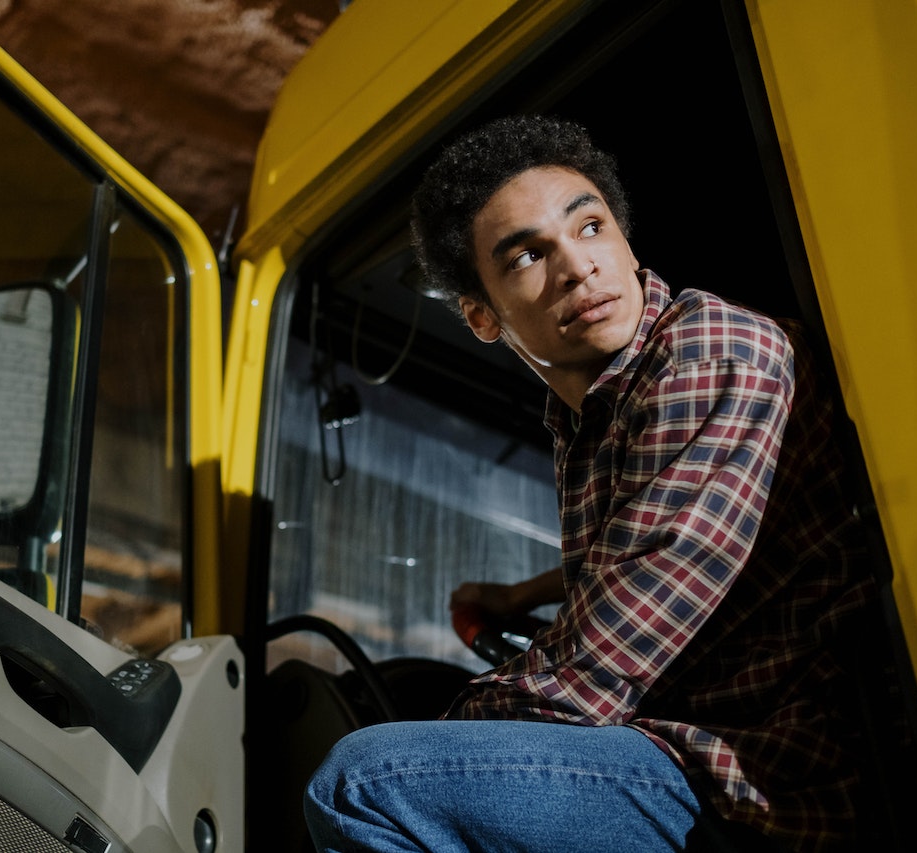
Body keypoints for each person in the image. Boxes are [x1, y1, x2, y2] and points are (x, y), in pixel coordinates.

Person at [303, 115, 875, 852]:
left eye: (592, 227)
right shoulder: (592, 413)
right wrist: (518, 599)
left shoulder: (710, 354)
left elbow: (599, 663)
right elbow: (643, 547)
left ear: (627, 241)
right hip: (690, 760)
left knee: (368, 786)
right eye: (527, 257)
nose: (579, 267)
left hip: (766, 780)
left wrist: (440, 744)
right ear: (481, 315)